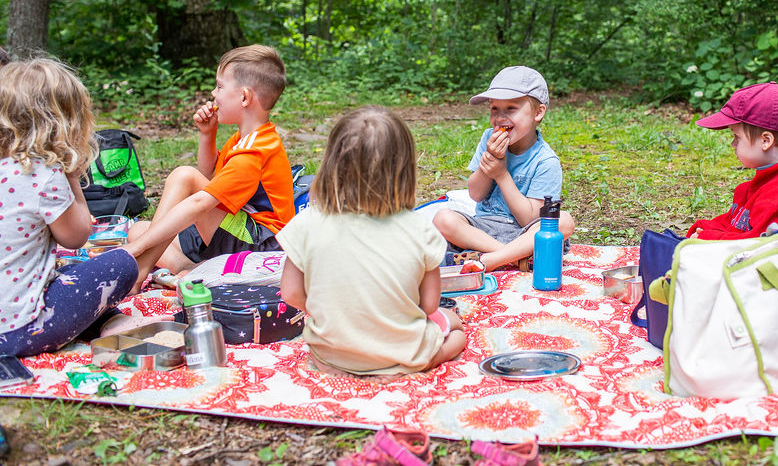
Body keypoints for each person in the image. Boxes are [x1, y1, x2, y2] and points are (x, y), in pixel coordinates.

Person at [277, 106, 466, 376]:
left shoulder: (307, 222)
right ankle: (417, 363)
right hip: (403, 353)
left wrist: (335, 313)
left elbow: (291, 293)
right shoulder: (418, 229)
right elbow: (428, 306)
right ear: (404, 171)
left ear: (331, 166)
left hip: (329, 356)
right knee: (456, 328)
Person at [127, 45, 294, 291]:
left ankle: (137, 276)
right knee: (140, 230)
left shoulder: (255, 150)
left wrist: (136, 250)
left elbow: (200, 200)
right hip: (235, 229)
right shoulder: (245, 138)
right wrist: (208, 133)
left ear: (245, 97)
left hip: (262, 244)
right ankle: (195, 268)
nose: (213, 94)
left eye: (219, 86)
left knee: (182, 178)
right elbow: (210, 177)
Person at [0, 59, 137, 357]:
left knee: (71, 269)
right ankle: (103, 320)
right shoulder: (44, 175)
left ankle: (101, 319)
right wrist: (72, 176)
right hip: (18, 330)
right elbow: (77, 237)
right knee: (122, 264)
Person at [432, 65, 575, 271]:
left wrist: (501, 174)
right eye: (494, 109)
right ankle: (514, 259)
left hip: (524, 233)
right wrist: (489, 160)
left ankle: (488, 260)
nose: (500, 118)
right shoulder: (487, 139)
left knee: (564, 221)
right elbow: (475, 194)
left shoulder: (546, 161)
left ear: (538, 112)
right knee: (443, 218)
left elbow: (529, 218)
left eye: (511, 109)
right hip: (484, 230)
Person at [686, 81, 778, 240]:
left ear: (765, 141)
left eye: (737, 137)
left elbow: (756, 246)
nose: (733, 144)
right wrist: (702, 229)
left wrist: (707, 239)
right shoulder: (767, 181)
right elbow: (734, 224)